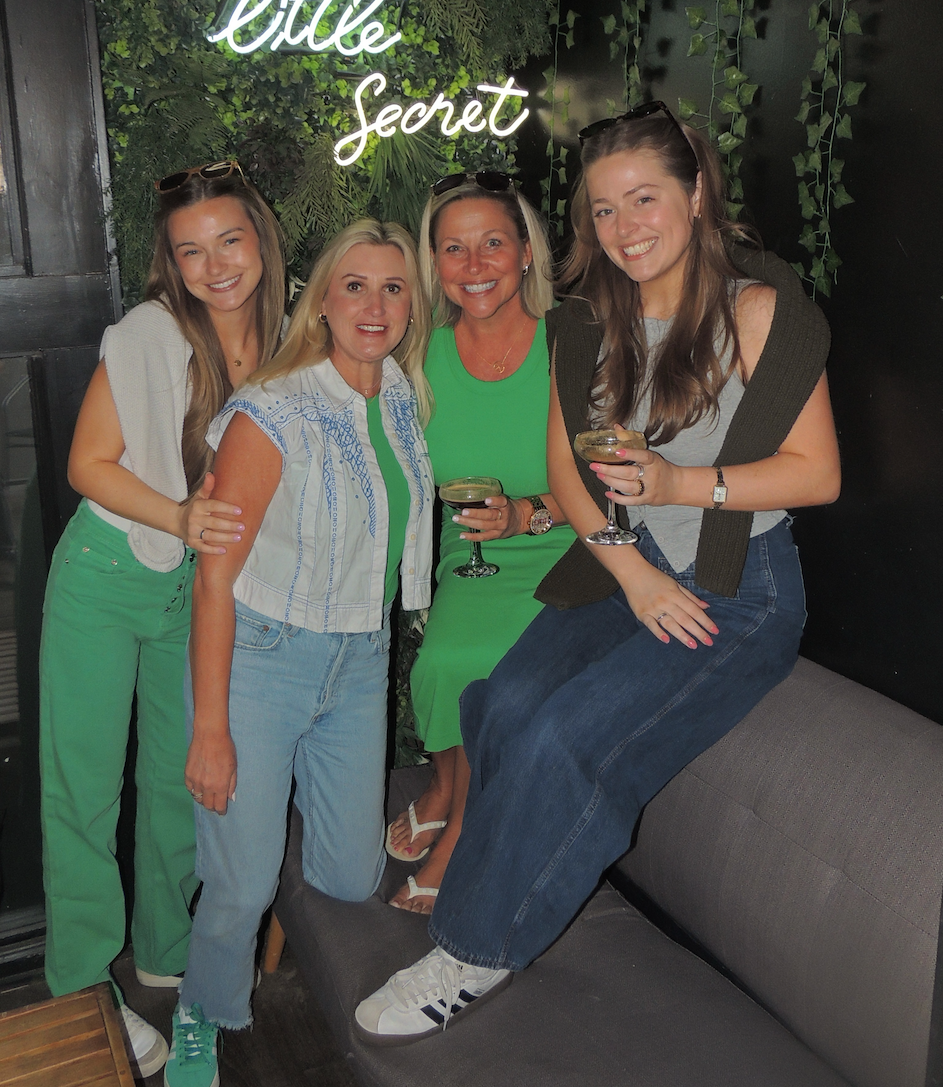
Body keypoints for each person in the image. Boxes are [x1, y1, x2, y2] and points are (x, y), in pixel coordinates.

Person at [355, 101, 840, 1041]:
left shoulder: (756, 310)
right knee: (499, 703)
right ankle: (505, 868)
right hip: (632, 567)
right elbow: (570, 474)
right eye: (604, 209)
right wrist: (634, 573)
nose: (625, 227)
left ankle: (473, 952)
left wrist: (678, 482)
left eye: (644, 198)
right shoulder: (588, 320)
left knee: (561, 738)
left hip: (739, 588)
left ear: (694, 195)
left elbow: (816, 474)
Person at [163, 219, 434, 1087]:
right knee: (239, 885)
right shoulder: (273, 411)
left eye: (393, 287)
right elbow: (213, 580)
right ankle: (201, 1009)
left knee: (350, 877)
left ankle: (258, 864)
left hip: (359, 659)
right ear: (322, 301)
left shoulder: (401, 394)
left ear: (412, 305)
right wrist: (211, 730)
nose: (374, 305)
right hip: (262, 660)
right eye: (355, 285)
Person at [39, 162, 286, 1078]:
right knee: (84, 791)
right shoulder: (151, 332)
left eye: (228, 240)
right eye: (190, 251)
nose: (214, 265)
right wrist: (180, 517)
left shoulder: (285, 339)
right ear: (170, 264)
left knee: (180, 782)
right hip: (107, 575)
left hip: (195, 588)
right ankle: (80, 984)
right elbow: (87, 464)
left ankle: (165, 950)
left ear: (260, 238)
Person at [385, 171, 574, 913]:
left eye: (493, 243)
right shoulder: (418, 358)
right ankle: (442, 782)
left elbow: (613, 482)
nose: (474, 265)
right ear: (434, 263)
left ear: (526, 252)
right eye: (454, 249)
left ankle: (462, 826)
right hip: (471, 559)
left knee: (493, 669)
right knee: (441, 663)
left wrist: (528, 514)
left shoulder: (571, 343)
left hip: (568, 552)